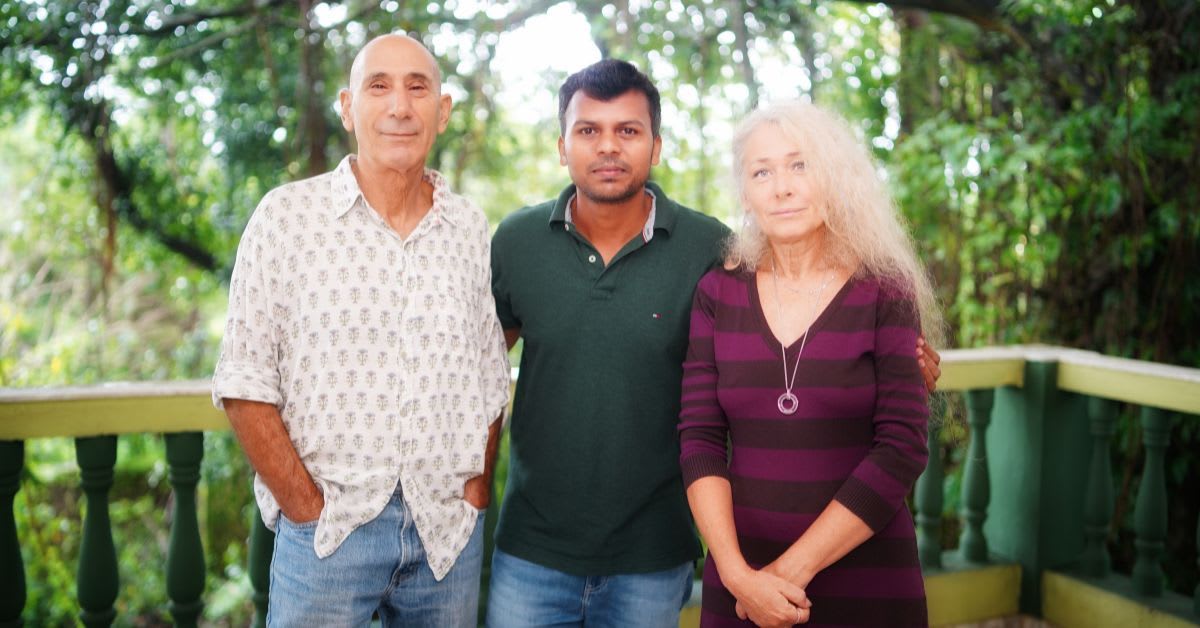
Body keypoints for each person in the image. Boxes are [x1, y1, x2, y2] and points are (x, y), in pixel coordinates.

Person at [487, 60, 942, 627]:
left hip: (662, 555)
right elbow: (476, 368)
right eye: (588, 131)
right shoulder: (520, 242)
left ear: (656, 146)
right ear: (562, 145)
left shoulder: (711, 249)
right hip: (546, 551)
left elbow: (895, 433)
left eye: (628, 130)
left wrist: (903, 362)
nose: (608, 146)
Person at [211, 34, 510, 627]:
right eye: (379, 86)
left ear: (442, 111)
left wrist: (476, 488)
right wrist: (303, 506)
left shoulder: (469, 227)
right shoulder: (286, 217)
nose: (399, 106)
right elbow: (244, 380)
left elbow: (489, 374)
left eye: (417, 87)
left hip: (445, 537)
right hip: (328, 536)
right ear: (348, 108)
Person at [678, 100, 941, 627]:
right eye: (762, 171)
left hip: (867, 585)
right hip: (739, 583)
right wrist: (737, 576)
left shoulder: (884, 290)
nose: (782, 187)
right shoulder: (717, 293)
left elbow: (900, 448)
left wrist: (784, 575)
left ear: (836, 177)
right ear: (746, 192)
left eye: (801, 165)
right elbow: (699, 437)